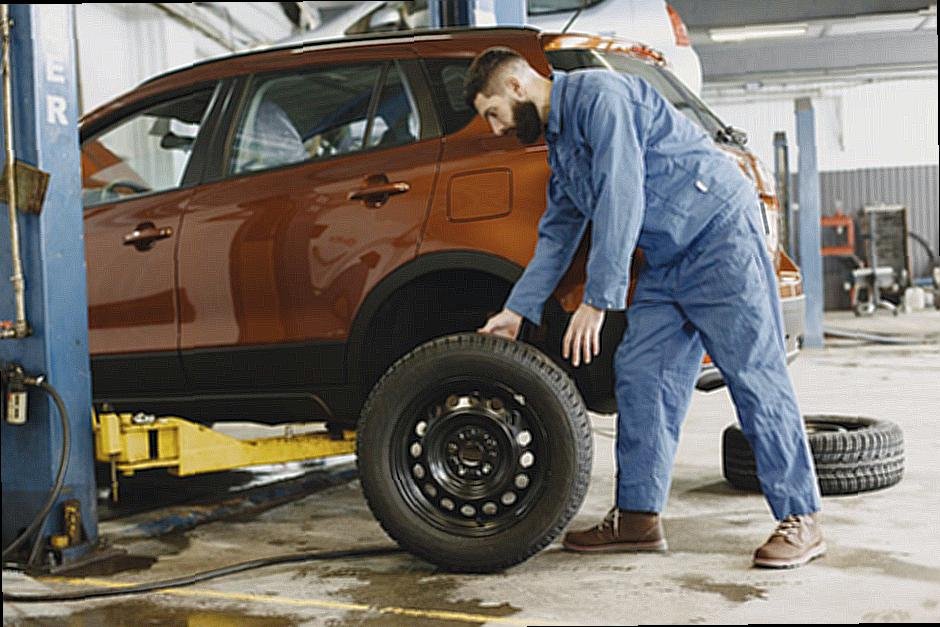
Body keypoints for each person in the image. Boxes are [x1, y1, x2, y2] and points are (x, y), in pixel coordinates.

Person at [466, 47, 825, 569]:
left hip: (718, 237)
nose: (496, 128)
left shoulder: (600, 97)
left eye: (492, 113)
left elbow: (622, 192)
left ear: (518, 86)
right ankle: (638, 517)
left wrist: (598, 300)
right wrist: (517, 309)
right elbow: (560, 229)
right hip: (666, 258)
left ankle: (802, 518)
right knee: (641, 372)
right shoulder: (561, 143)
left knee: (753, 373)